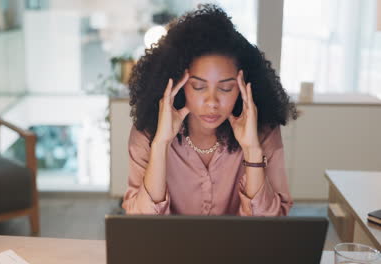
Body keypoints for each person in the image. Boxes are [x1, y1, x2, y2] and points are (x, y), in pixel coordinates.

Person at [122, 4, 298, 216]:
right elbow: (142, 225)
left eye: (225, 87)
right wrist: (160, 145)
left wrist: (252, 150)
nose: (212, 102)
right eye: (198, 86)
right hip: (170, 249)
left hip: (242, 249)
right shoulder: (148, 134)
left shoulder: (263, 132)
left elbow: (270, 227)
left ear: (244, 87)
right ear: (179, 85)